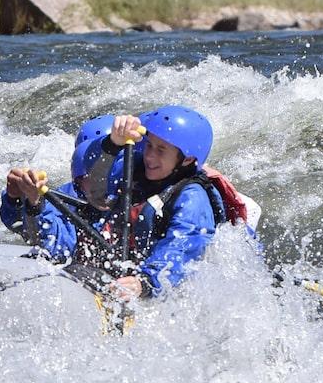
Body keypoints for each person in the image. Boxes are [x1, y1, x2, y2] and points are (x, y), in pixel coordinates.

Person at [82, 105, 253, 302]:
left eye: (161, 150)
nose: (150, 156)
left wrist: (144, 282)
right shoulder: (137, 167)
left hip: (167, 288)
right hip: (134, 272)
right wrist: (113, 143)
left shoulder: (192, 198)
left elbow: (181, 249)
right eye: (149, 145)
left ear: (187, 159)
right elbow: (95, 182)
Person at [0, 114, 115, 262]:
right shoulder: (64, 198)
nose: (102, 186)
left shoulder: (138, 198)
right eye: (92, 176)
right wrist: (19, 199)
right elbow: (45, 241)